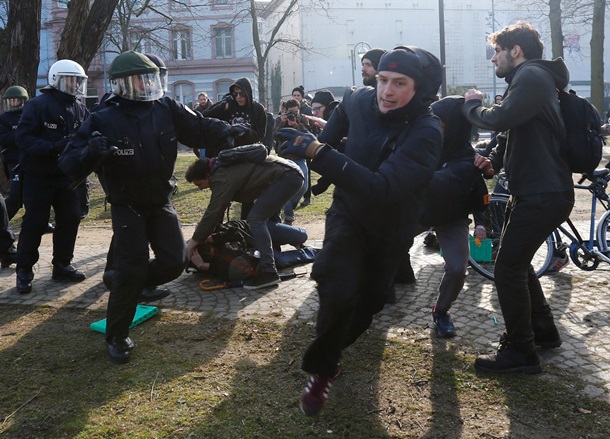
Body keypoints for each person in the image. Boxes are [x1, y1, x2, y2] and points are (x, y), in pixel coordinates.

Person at [274, 46, 443, 416]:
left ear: (421, 89)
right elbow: (347, 106)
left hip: (391, 228)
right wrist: (324, 147)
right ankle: (322, 372)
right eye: (383, 80)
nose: (387, 91)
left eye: (400, 83)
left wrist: (320, 153)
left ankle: (330, 353)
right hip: (348, 214)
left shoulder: (427, 131)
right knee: (335, 284)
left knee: (367, 303)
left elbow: (382, 189)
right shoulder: (361, 98)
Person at [58, 50, 237, 364]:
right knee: (131, 268)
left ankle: (128, 284)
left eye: (150, 77)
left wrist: (226, 131)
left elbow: (198, 128)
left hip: (160, 201)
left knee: (175, 262)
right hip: (127, 205)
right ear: (124, 84)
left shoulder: (165, 107)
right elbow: (68, 163)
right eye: (140, 79)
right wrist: (90, 151)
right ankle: (117, 335)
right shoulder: (104, 117)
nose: (146, 84)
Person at [463, 21, 574, 374]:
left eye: (497, 51)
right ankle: (543, 332)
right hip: (536, 190)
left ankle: (521, 352)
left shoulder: (531, 76)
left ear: (515, 50)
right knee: (518, 262)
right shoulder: (532, 80)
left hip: (543, 192)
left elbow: (501, 118)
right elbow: (516, 134)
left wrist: (472, 107)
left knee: (508, 267)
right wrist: (494, 162)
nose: (494, 58)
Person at [14, 59, 90, 294]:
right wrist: (54, 146)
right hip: (39, 175)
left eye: (78, 81)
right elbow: (23, 139)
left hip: (67, 177)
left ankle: (62, 264)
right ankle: (24, 269)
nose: (75, 85)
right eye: (70, 80)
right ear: (56, 80)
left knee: (71, 217)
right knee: (35, 221)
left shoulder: (80, 107)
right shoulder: (38, 105)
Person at [184, 147, 303, 290]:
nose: (200, 189)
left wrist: (192, 245)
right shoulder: (221, 170)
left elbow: (213, 212)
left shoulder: (221, 177)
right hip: (288, 173)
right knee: (261, 218)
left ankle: (269, 272)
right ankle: (271, 260)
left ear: (206, 176)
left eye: (199, 184)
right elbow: (218, 211)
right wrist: (206, 234)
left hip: (287, 176)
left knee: (255, 219)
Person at [188, 219, 318, 282]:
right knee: (278, 260)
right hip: (258, 249)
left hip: (258, 229)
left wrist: (213, 238)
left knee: (302, 236)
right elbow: (225, 271)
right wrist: (203, 266)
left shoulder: (217, 232)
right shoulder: (203, 258)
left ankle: (286, 241)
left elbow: (236, 232)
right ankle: (314, 252)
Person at [273, 98, 311, 225]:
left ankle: (289, 205)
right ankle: (289, 216)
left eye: (296, 111)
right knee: (288, 185)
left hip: (300, 156)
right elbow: (275, 136)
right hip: (285, 157)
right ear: (285, 111)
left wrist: (295, 124)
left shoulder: (302, 119)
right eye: (291, 112)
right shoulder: (280, 119)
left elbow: (308, 135)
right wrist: (282, 123)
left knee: (304, 186)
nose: (293, 114)